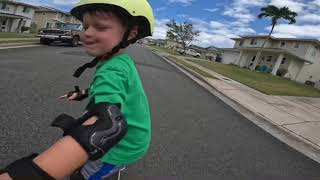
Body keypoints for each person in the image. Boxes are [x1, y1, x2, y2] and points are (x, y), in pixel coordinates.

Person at [0, 0, 154, 179]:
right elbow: (117, 90)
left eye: (100, 27)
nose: (86, 33)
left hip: (123, 146)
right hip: (137, 135)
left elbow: (108, 123)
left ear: (130, 34)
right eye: (85, 26)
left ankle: (110, 166)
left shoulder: (113, 69)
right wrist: (83, 93)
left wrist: (26, 174)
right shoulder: (120, 60)